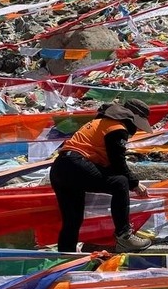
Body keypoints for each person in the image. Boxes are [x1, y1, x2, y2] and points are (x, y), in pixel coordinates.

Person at [49, 99, 154, 253]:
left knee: (72, 219)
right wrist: (134, 183)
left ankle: (66, 254)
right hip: (76, 164)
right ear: (133, 117)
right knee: (120, 182)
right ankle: (124, 236)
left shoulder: (101, 122)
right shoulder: (117, 128)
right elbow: (117, 162)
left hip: (60, 167)